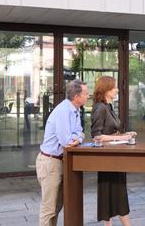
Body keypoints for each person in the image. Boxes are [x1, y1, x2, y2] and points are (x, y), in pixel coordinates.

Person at [35, 79, 89, 226]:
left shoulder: (75, 110)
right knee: (49, 208)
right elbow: (66, 141)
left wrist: (78, 138)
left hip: (60, 161)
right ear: (77, 96)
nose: (88, 96)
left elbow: (79, 133)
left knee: (57, 206)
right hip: (50, 162)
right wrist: (78, 138)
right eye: (86, 93)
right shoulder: (63, 111)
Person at [91, 76, 136, 226]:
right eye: (114, 87)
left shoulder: (108, 107)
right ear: (106, 90)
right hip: (107, 158)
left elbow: (111, 133)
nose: (117, 90)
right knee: (112, 191)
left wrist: (124, 135)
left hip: (114, 156)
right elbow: (96, 136)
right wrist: (118, 138)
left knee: (116, 191)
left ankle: (109, 224)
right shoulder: (100, 108)